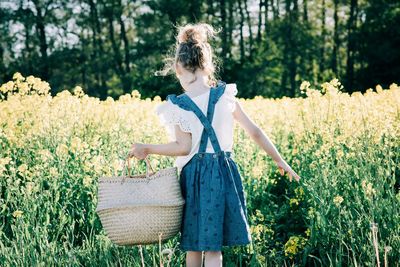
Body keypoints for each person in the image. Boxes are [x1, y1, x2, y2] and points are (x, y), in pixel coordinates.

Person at [128, 22, 301, 267]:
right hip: (223, 173)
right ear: (206, 64)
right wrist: (279, 160)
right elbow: (255, 131)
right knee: (213, 247)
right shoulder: (225, 95)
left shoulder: (178, 105)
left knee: (193, 246)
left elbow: (182, 147)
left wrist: (147, 148)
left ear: (178, 67)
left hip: (195, 176)